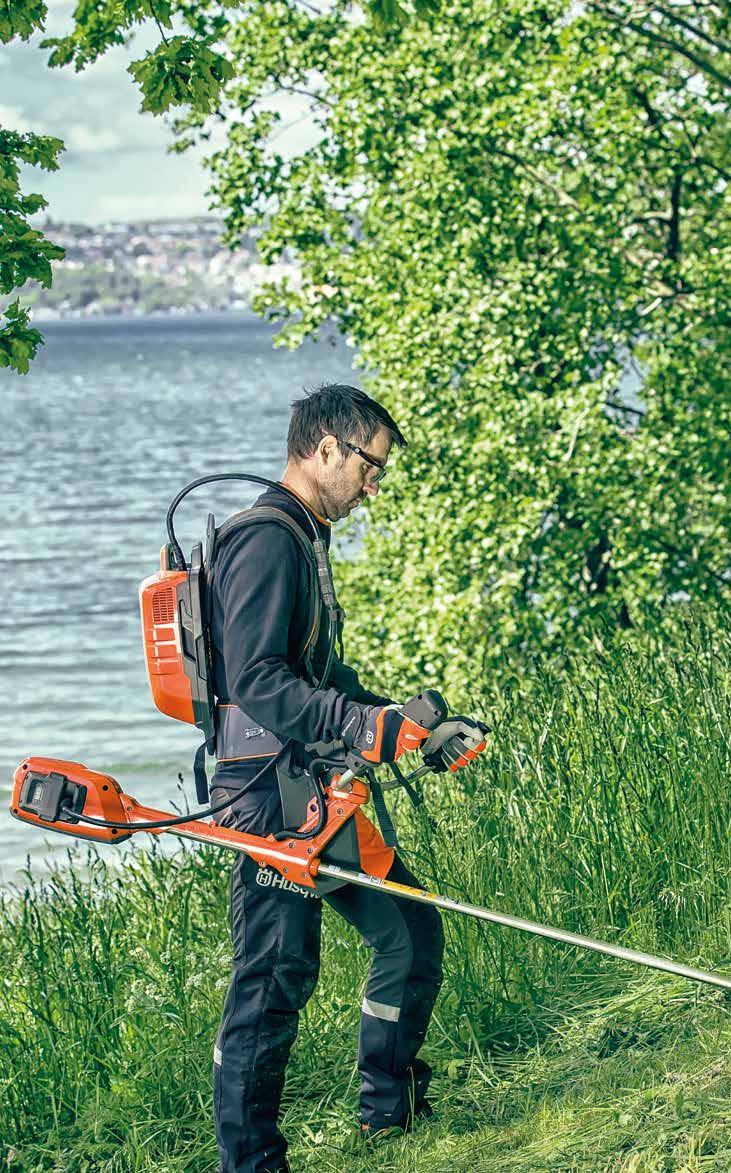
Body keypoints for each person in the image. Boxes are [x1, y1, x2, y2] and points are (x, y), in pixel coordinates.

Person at [208, 384, 484, 1173]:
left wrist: (408, 723)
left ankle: (387, 1117)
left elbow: (321, 676)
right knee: (275, 976)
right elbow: (258, 681)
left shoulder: (304, 536)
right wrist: (362, 727)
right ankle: (251, 1162)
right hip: (267, 796)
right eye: (370, 466)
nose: (373, 486)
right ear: (325, 447)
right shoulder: (266, 539)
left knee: (409, 929)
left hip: (314, 783)